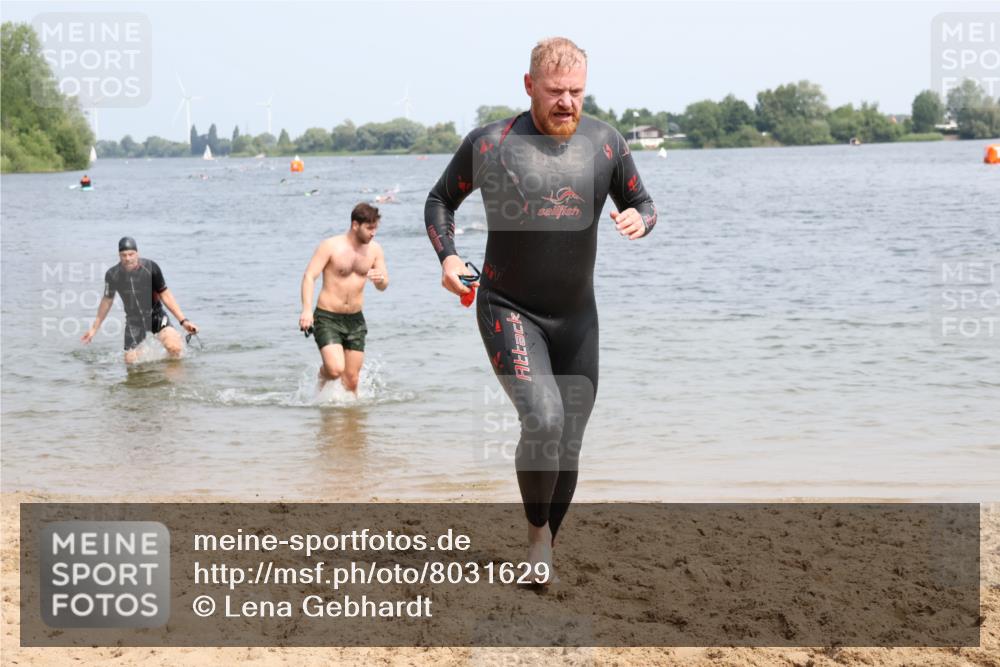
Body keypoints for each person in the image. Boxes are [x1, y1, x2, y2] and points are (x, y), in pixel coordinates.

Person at [424, 37, 657, 582]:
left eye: (577, 91)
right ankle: (536, 544)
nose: (567, 103)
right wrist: (448, 256)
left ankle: (548, 538)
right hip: (509, 307)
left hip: (577, 318)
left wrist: (641, 221)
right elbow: (440, 200)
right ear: (529, 86)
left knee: (569, 437)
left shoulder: (606, 144)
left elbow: (642, 202)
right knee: (545, 417)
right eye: (556, 92)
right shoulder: (490, 144)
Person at [299, 203, 389, 395]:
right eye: (369, 228)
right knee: (335, 370)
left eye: (376, 228)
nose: (373, 233)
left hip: (355, 320)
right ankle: (323, 375)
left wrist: (380, 280)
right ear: (355, 225)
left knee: (352, 381)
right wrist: (307, 310)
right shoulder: (330, 246)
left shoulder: (375, 250)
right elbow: (309, 276)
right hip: (327, 317)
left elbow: (384, 284)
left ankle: (352, 420)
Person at [81, 237, 199, 364]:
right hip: (134, 321)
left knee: (174, 348)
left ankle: (170, 383)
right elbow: (107, 301)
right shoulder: (113, 274)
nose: (127, 258)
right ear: (119, 255)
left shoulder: (151, 268)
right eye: (123, 255)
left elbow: (165, 294)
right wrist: (94, 329)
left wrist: (183, 321)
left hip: (156, 315)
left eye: (131, 254)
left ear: (137, 253)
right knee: (131, 362)